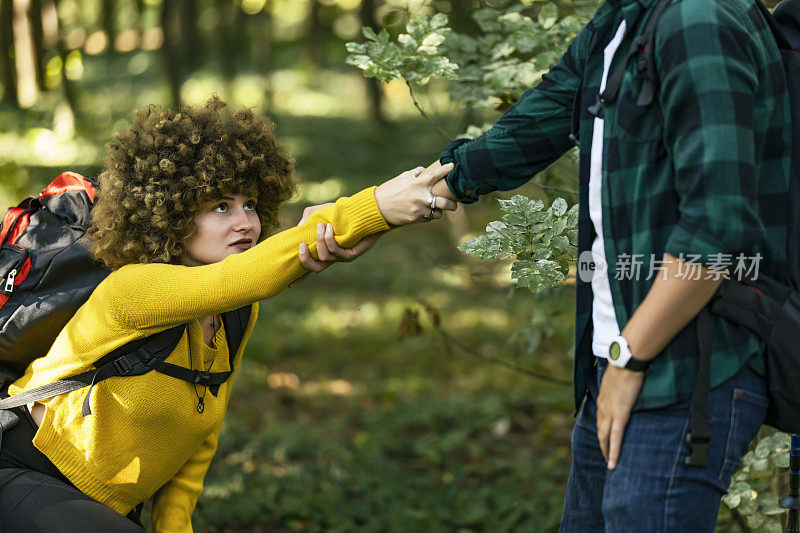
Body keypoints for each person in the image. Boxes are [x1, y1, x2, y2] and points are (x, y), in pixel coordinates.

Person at [0, 97, 455, 532]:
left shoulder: (235, 314)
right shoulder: (133, 289)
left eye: (251, 205)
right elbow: (241, 277)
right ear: (169, 214)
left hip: (100, 507)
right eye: (221, 206)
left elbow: (200, 434)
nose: (246, 223)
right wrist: (375, 209)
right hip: (22, 470)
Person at [424, 0, 792, 530]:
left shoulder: (698, 20)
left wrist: (628, 359)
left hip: (688, 365)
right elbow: (540, 119)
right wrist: (368, 212)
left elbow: (717, 229)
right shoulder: (625, 17)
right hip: (620, 357)